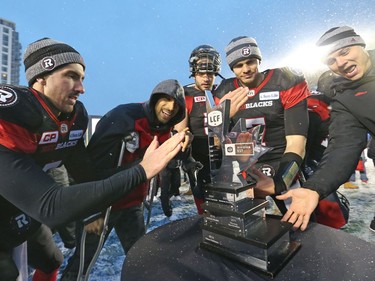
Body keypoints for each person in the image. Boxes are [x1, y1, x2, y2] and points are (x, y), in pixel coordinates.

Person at [0, 38, 186, 281]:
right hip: (32, 206)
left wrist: (135, 173)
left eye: (82, 79)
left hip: (18, 209)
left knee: (52, 259)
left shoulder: (73, 118)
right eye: (71, 76)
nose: (81, 88)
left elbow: (89, 175)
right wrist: (141, 170)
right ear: (41, 78)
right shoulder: (12, 115)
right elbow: (51, 207)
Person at [61, 79, 187, 280]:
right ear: (154, 99)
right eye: (165, 99)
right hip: (102, 205)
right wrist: (89, 207)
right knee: (83, 260)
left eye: (176, 105)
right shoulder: (125, 116)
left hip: (131, 204)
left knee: (143, 258)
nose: (170, 107)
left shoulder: (165, 129)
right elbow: (90, 166)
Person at [276, 26, 375, 231]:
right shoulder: (345, 99)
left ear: (360, 44)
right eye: (331, 61)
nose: (340, 62)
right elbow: (342, 147)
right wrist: (313, 189)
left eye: (344, 52)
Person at [213, 36, 310, 214]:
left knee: (300, 222)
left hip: (282, 161)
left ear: (259, 60)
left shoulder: (284, 81)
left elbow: (297, 142)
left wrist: (282, 180)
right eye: (239, 65)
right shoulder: (225, 91)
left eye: (250, 61)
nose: (246, 69)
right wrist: (221, 118)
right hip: (246, 167)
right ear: (231, 68)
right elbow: (216, 143)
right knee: (248, 229)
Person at [174, 44, 225, 214]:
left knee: (226, 199)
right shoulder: (185, 94)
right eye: (201, 74)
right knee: (203, 198)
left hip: (223, 153)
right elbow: (181, 131)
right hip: (198, 155)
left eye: (210, 74)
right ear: (194, 72)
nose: (206, 78)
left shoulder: (223, 91)